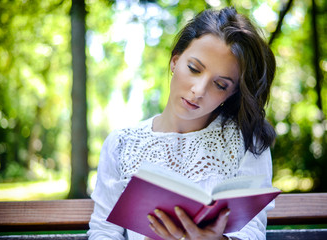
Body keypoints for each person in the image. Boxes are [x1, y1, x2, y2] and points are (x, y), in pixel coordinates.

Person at [88, 6, 276, 240]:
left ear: (232, 93)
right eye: (194, 69)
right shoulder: (121, 144)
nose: (198, 91)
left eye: (220, 85)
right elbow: (104, 232)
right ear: (175, 61)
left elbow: (253, 232)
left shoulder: (247, 139)